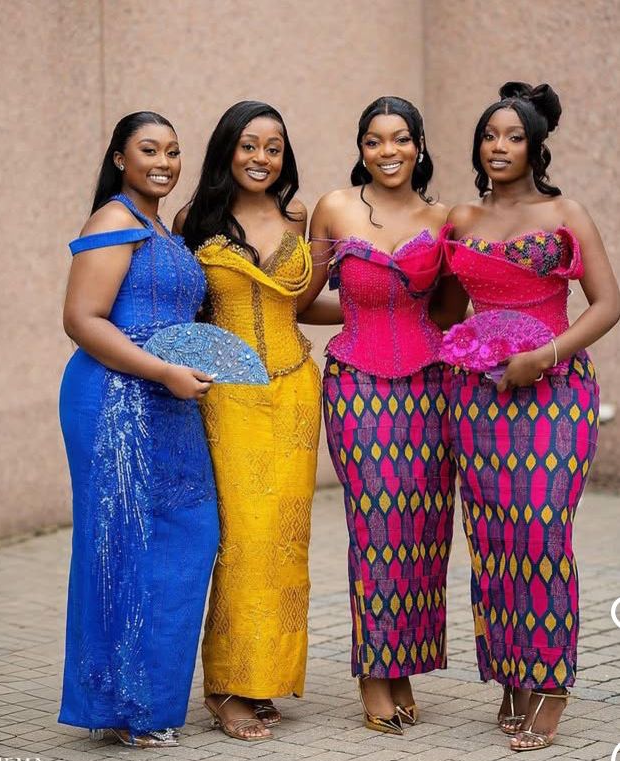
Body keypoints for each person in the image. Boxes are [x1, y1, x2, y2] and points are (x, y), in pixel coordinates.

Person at [442, 82, 620, 752]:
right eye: (489, 135)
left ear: (535, 145)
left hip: (556, 390)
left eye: (513, 136)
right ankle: (511, 674)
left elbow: (607, 303)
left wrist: (545, 355)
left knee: (541, 532)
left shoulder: (564, 211)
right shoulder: (460, 218)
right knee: (492, 537)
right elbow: (444, 310)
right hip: (477, 394)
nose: (499, 146)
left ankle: (550, 683)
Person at [59, 112, 219, 748]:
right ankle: (129, 708)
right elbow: (83, 319)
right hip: (114, 400)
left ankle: (143, 699)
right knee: (123, 543)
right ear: (121, 159)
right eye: (149, 150)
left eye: (173, 152)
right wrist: (162, 371)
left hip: (169, 399)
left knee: (189, 533)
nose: (164, 162)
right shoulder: (113, 220)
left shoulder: (163, 229)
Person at [303, 96, 460, 735]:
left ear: (419, 146)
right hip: (357, 384)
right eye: (374, 140)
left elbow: (448, 311)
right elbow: (302, 301)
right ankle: (375, 671)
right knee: (376, 524)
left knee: (425, 526)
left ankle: (404, 667)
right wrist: (364, 310)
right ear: (361, 148)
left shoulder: (446, 218)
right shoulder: (335, 207)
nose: (387, 151)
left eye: (400, 138)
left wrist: (403, 312)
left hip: (432, 386)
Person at [174, 101, 321, 742]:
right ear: (227, 149)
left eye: (274, 147)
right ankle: (226, 687)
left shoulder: (298, 215)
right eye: (250, 145)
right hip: (229, 396)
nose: (262, 158)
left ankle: (266, 679)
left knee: (287, 537)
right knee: (242, 538)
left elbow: (301, 303)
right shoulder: (193, 220)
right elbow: (183, 309)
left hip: (297, 389)